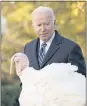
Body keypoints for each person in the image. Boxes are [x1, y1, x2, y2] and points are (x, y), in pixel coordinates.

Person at [14, 6, 86, 106]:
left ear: (54, 23)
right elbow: (26, 82)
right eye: (39, 25)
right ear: (33, 25)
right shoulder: (28, 47)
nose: (43, 29)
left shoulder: (71, 48)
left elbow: (81, 85)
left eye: (47, 24)